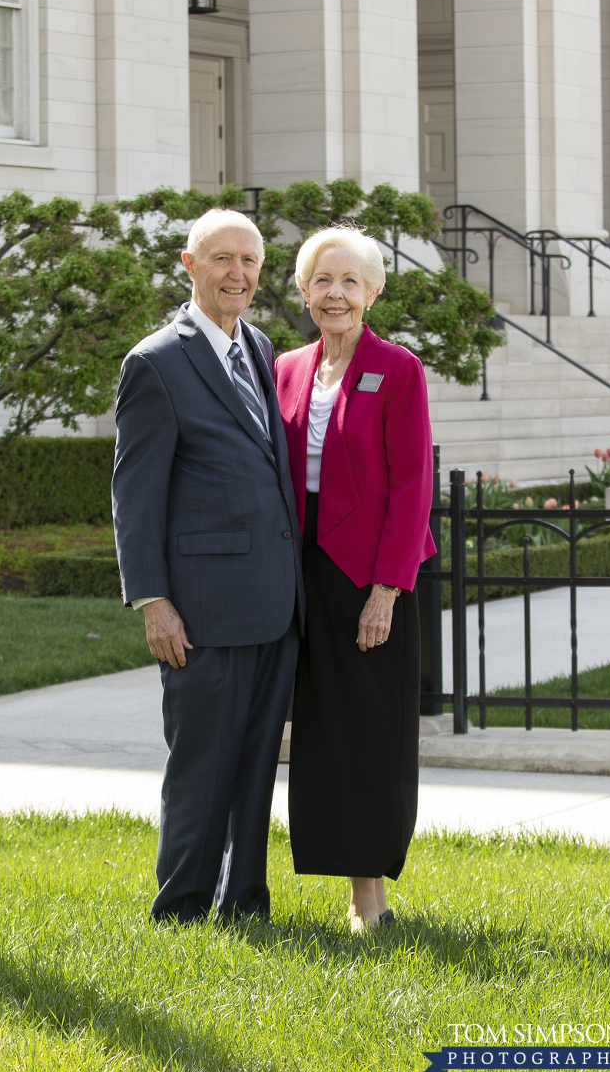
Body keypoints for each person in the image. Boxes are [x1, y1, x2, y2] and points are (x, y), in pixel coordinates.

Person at [112, 208, 305, 925]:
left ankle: (244, 903)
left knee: (256, 765)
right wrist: (153, 600)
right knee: (201, 766)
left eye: (249, 261)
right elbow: (135, 495)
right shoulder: (155, 362)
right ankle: (181, 908)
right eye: (221, 259)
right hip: (199, 609)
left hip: (272, 602)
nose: (238, 273)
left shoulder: (257, 345)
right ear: (189, 266)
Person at [273, 226, 436, 932]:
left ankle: (369, 901)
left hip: (370, 579)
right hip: (300, 573)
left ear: (372, 292)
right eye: (322, 280)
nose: (334, 294)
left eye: (349, 281)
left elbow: (412, 488)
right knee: (318, 736)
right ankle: (325, 876)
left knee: (369, 735)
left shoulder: (397, 369)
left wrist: (385, 590)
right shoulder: (285, 367)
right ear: (304, 292)